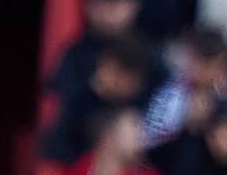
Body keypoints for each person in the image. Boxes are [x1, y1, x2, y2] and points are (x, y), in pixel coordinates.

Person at [43, 33, 153, 165]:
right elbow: (55, 148)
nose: (130, 88)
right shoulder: (73, 98)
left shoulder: (136, 107)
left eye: (134, 83)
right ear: (106, 66)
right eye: (123, 79)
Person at [143, 28, 227, 175]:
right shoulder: (172, 91)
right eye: (219, 67)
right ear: (199, 63)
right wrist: (188, 122)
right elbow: (149, 140)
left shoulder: (223, 91)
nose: (223, 73)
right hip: (156, 167)